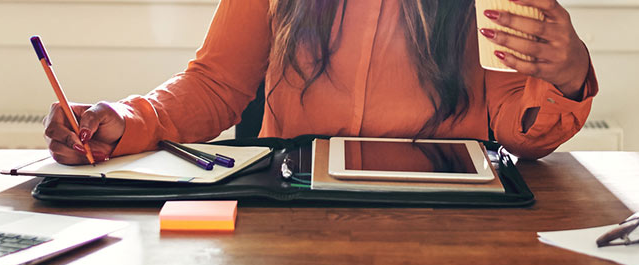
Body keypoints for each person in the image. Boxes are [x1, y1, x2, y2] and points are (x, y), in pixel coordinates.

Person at [45, 0, 596, 165]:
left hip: (447, 211)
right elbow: (216, 85)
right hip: (297, 204)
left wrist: (566, 79)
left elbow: (516, 130)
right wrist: (126, 118)